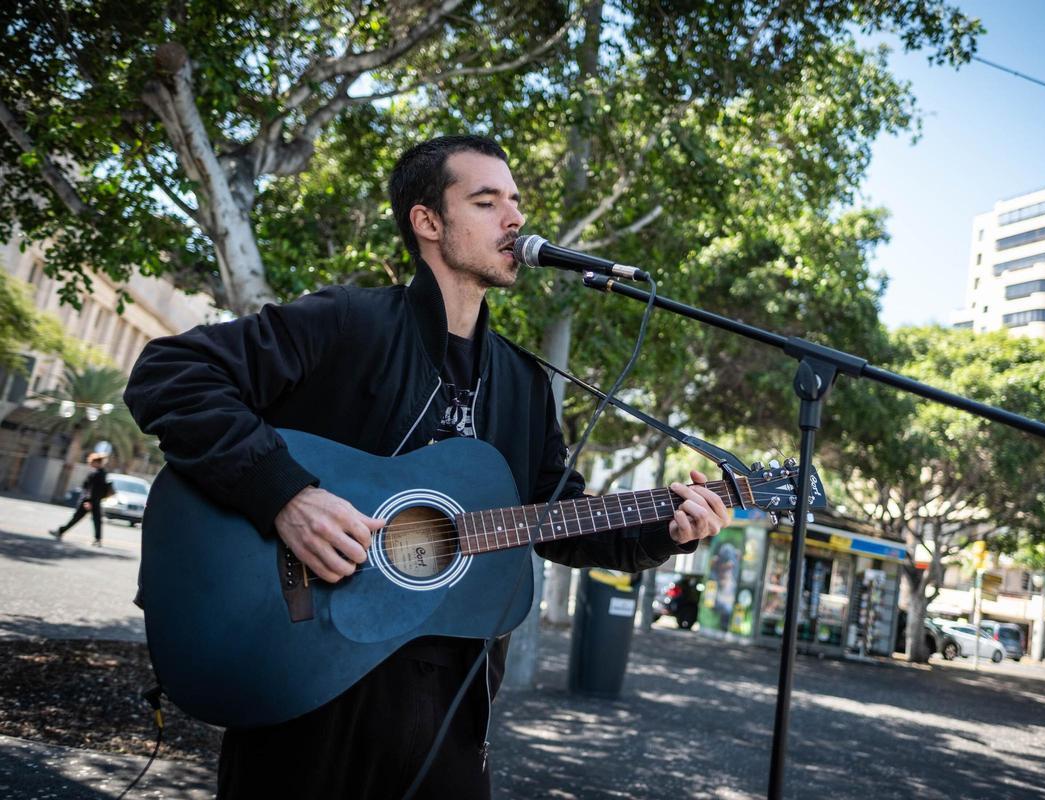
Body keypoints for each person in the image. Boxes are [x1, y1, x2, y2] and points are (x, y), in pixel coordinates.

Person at [123, 134, 729, 800]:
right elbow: (170, 374)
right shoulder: (349, 324)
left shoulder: (524, 386)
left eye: (516, 202)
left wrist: (664, 531)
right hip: (305, 681)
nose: (515, 219)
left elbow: (560, 518)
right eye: (487, 201)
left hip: (449, 708)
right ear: (428, 222)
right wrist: (286, 496)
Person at [49, 452, 110, 546]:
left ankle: (60, 532)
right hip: (96, 500)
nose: (91, 464)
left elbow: (91, 489)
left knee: (77, 517)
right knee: (96, 520)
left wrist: (88, 501)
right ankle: (98, 539)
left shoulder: (96, 474)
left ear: (97, 462)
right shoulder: (103, 473)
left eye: (92, 462)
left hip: (88, 500)